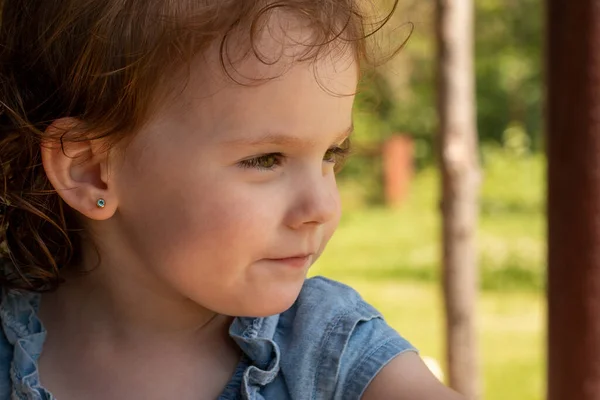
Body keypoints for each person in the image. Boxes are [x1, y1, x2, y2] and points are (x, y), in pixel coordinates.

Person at [0, 1, 464, 399]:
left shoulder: (332, 351)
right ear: (92, 172)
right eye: (266, 160)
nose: (321, 207)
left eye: (331, 154)